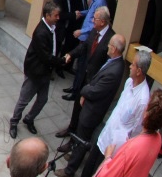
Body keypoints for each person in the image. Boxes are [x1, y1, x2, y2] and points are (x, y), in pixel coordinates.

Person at [54, 33, 126, 177]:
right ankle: (73, 156)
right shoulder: (113, 62)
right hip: (90, 105)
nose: (107, 47)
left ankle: (69, 170)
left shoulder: (115, 70)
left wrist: (84, 91)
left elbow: (94, 91)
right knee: (79, 134)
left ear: (116, 49)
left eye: (110, 45)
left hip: (93, 111)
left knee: (82, 139)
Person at [78, 50, 151, 177]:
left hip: (114, 148)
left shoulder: (143, 100)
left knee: (99, 172)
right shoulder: (129, 82)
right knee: (88, 168)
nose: (130, 66)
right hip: (105, 135)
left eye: (132, 64)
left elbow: (136, 131)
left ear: (139, 71)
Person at [57, 6, 115, 138]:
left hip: (95, 83)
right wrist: (71, 54)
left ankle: (76, 138)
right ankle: (71, 129)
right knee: (77, 106)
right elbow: (84, 46)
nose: (92, 20)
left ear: (102, 21)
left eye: (95, 18)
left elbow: (107, 65)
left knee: (85, 112)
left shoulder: (111, 39)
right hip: (84, 78)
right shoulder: (95, 31)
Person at [9, 2, 64, 139]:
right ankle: (14, 122)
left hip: (45, 72)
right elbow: (45, 57)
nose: (58, 17)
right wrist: (62, 61)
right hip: (35, 72)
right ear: (47, 15)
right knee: (24, 99)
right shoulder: (41, 32)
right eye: (56, 15)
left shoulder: (52, 28)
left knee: (43, 99)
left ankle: (29, 118)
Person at [94, 89, 162, 177]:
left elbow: (107, 175)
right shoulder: (158, 139)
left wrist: (108, 156)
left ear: (146, 115)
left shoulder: (131, 148)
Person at [66, 0, 107, 101]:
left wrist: (81, 31)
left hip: (88, 38)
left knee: (82, 66)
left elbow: (95, 24)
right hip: (84, 37)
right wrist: (80, 13)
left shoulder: (100, 2)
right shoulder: (95, 0)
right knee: (79, 65)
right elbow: (89, 13)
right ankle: (74, 87)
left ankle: (76, 92)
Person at [53, 0, 75, 78]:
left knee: (63, 50)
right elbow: (60, 15)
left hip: (66, 29)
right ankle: (51, 70)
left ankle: (59, 68)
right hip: (59, 29)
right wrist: (73, 15)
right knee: (55, 50)